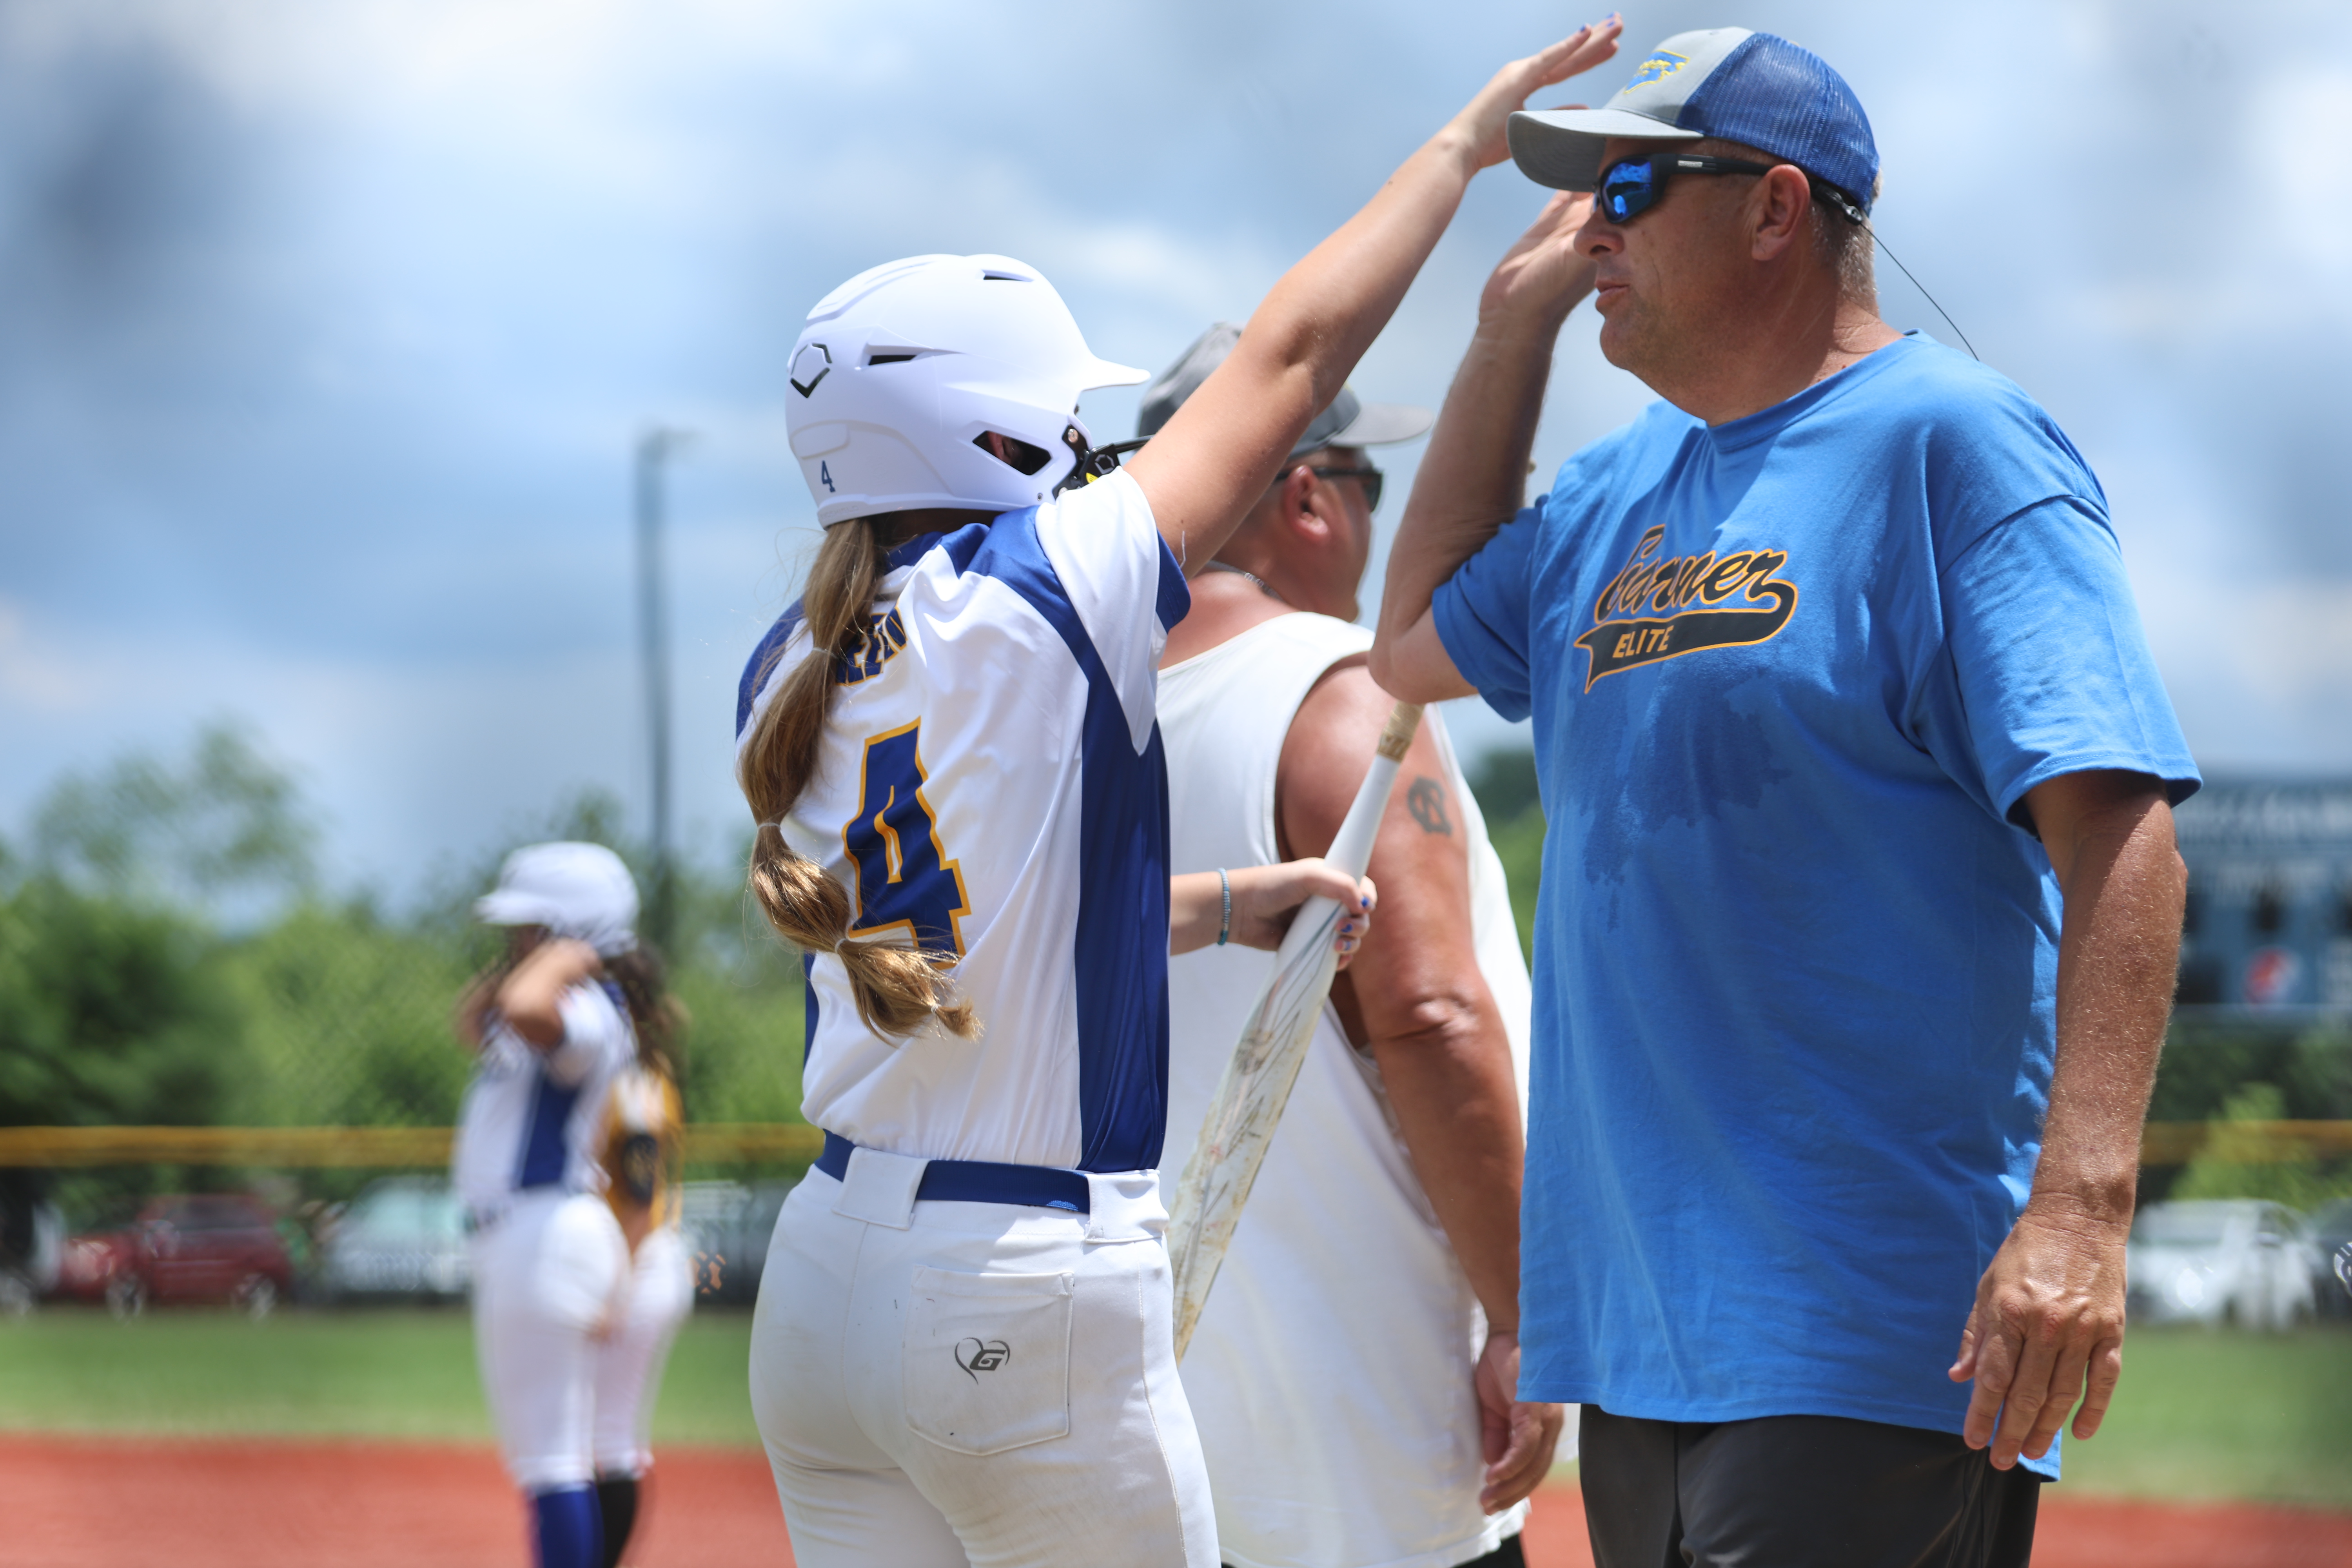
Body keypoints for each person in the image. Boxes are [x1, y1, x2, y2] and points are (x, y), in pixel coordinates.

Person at [732, 24, 1625, 1566]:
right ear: (995, 433)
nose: (1085, 446)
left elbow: (978, 913)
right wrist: (1459, 150)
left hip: (823, 1284)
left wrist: (1217, 906)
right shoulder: (1035, 593)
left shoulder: (789, 658)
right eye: (1060, 417)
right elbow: (1295, 357)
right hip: (1015, 1277)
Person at [1370, 27, 2200, 1567]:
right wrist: (1506, 329)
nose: (1593, 233)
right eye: (1586, 201)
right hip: (1639, 1331)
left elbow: (2124, 838)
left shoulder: (1952, 445)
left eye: (1631, 190)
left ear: (1774, 207)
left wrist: (2083, 1207)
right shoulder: (1618, 488)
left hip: (1875, 1330)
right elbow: (1407, 642)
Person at [1139, 325, 1563, 1568]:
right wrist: (1525, 1317)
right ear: (1308, 495)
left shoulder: (1074, 710)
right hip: (1359, 1433)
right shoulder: (1340, 690)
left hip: (1133, 1424)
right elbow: (1430, 1010)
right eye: (1368, 481)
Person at [452, 842, 695, 1568]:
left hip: (543, 1229)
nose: (514, 942)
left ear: (564, 932)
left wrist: (569, 954)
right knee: (568, 1453)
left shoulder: (581, 1007)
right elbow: (474, 1021)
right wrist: (557, 950)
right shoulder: (572, 1001)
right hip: (542, 1231)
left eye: (528, 928)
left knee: (554, 1462)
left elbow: (524, 1005)